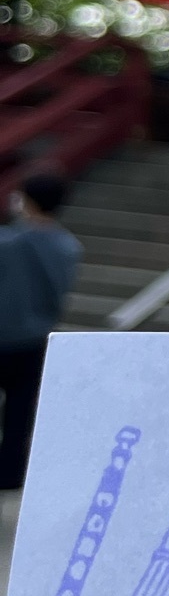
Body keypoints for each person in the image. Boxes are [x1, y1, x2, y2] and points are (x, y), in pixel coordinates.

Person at [0, 172, 83, 496]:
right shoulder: (68, 247)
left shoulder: (8, 242)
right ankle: (10, 474)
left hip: (3, 335)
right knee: (20, 412)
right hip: (37, 339)